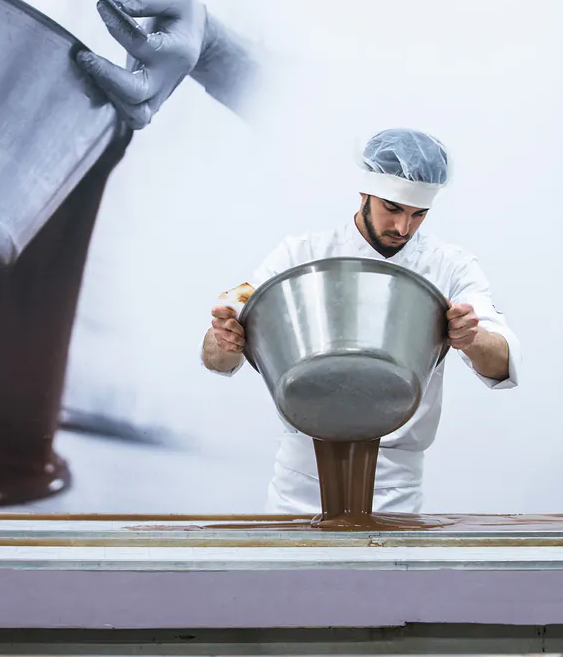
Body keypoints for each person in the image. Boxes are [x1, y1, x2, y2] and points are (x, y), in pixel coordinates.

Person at [200, 128, 521, 514]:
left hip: (396, 488)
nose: (403, 228)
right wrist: (224, 339)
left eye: (418, 214)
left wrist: (470, 338)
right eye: (393, 209)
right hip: (299, 484)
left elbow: (502, 362)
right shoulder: (301, 255)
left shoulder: (449, 266)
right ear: (364, 193)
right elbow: (217, 359)